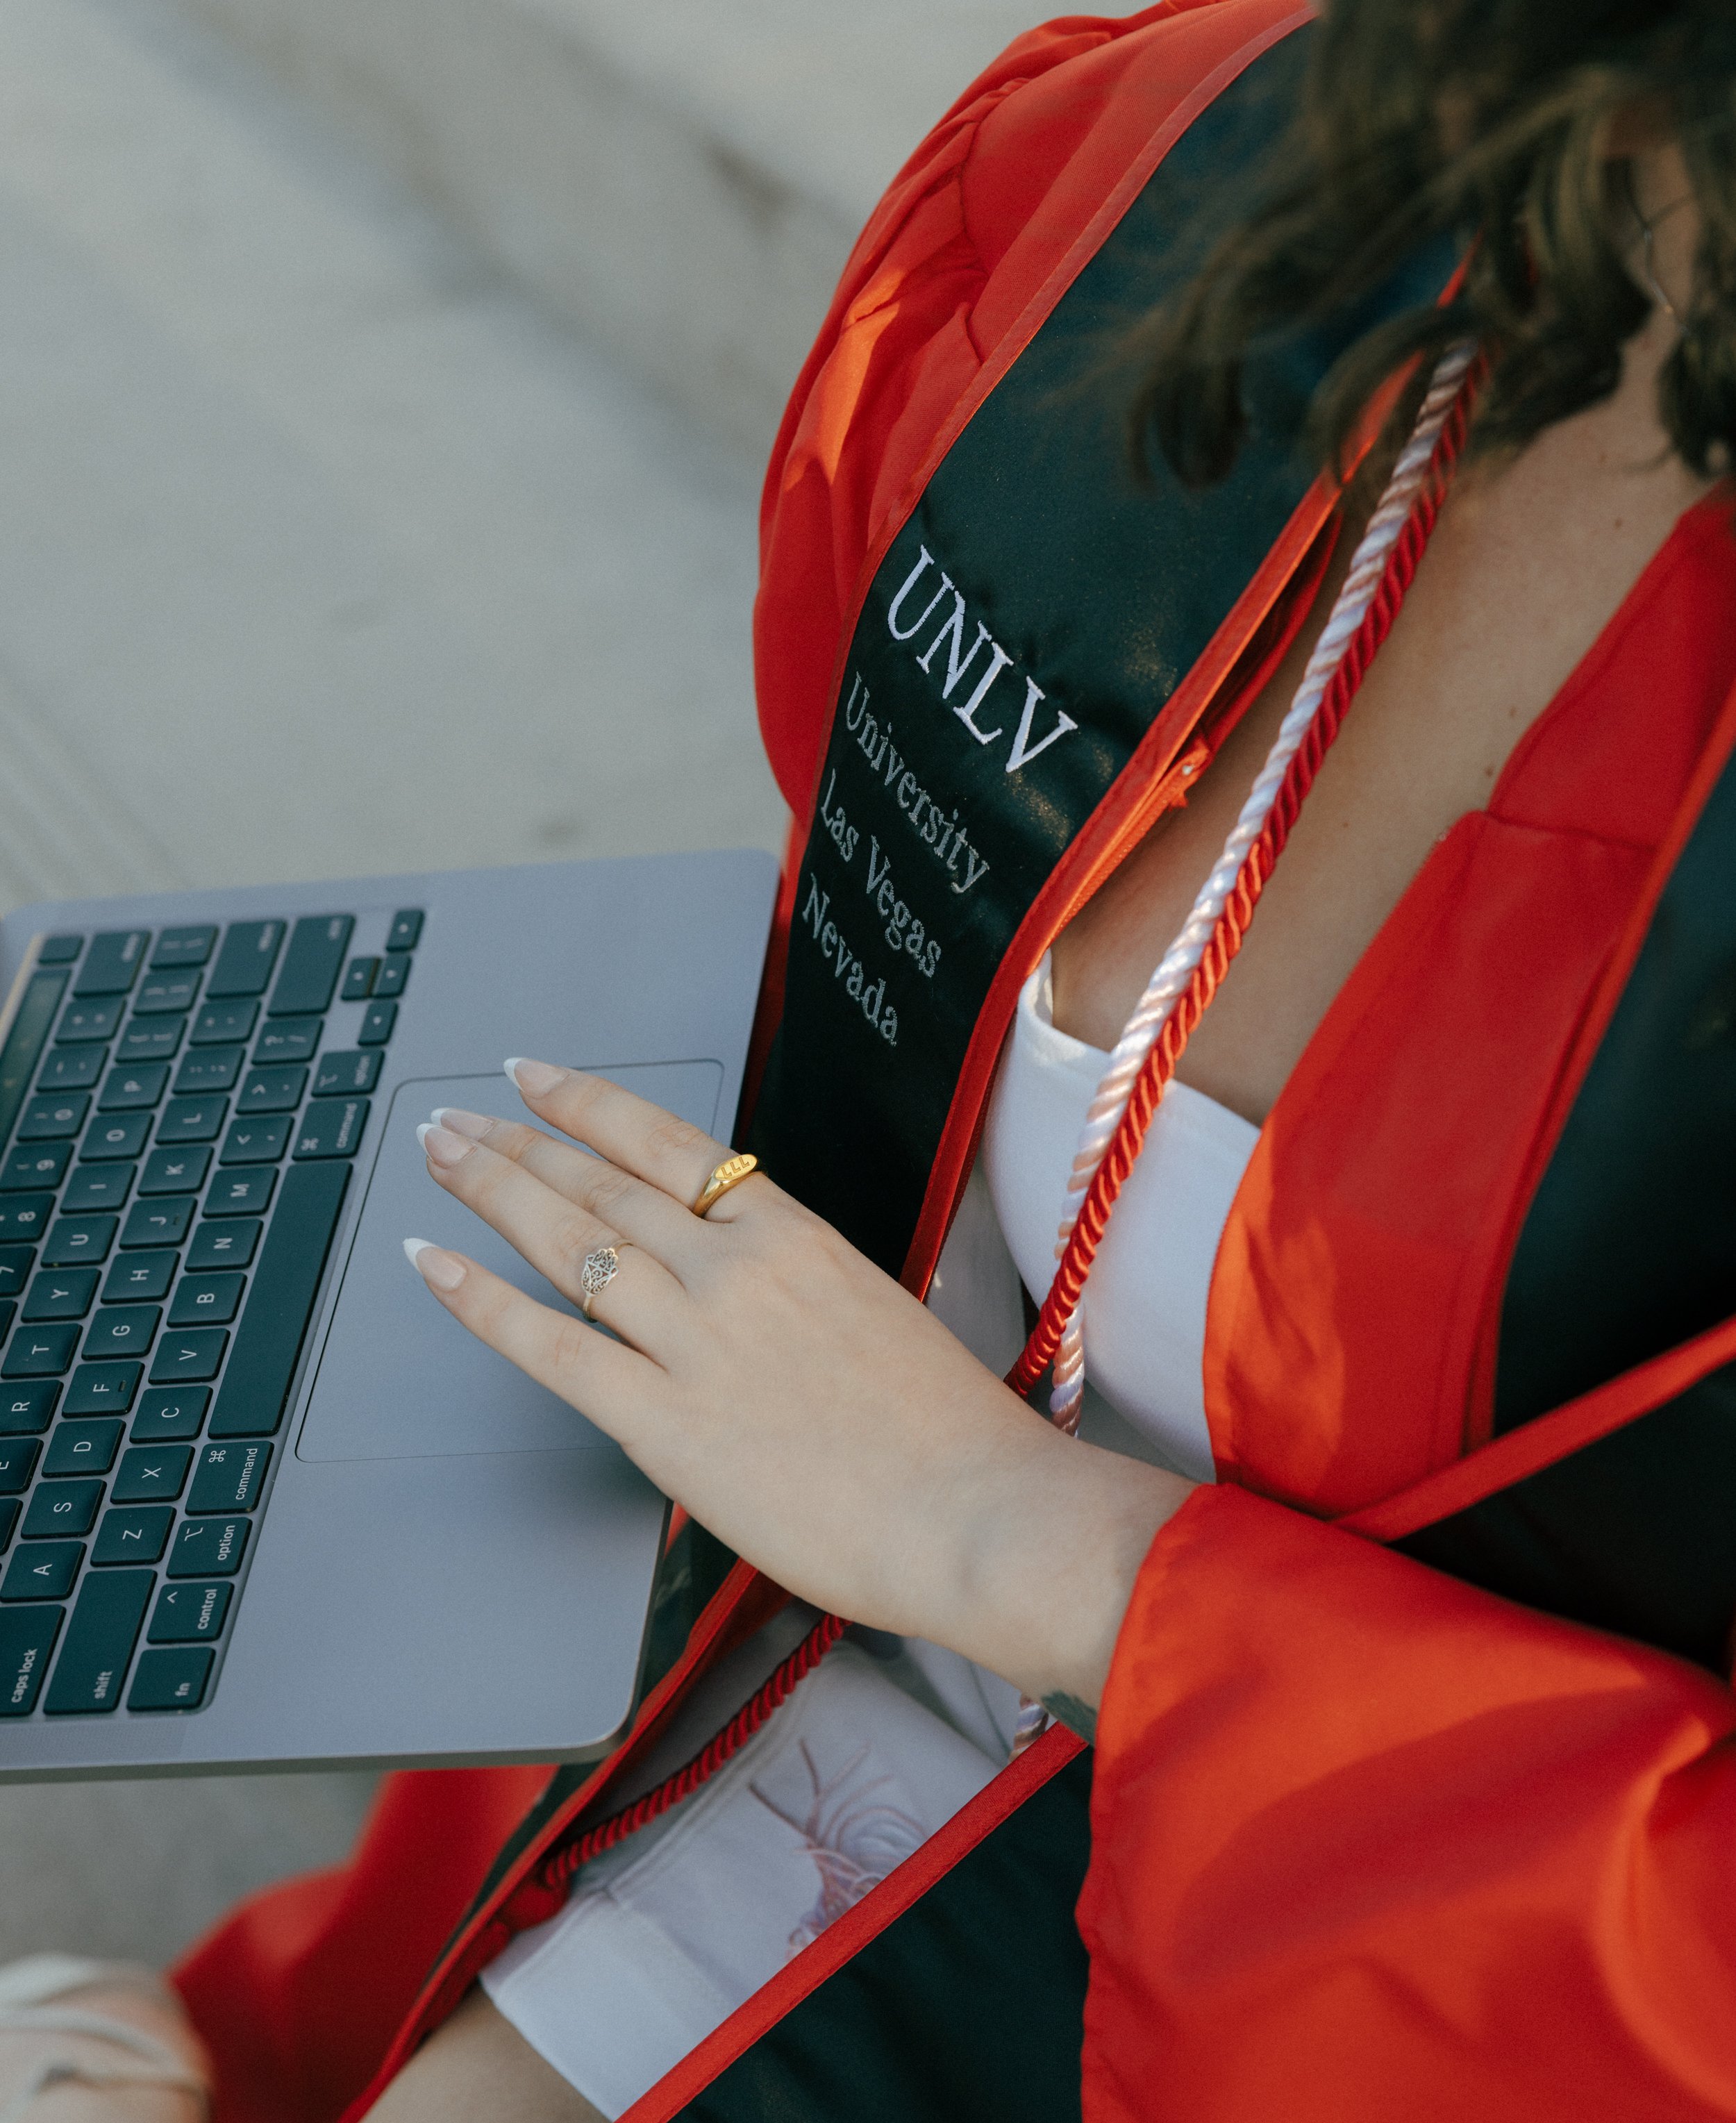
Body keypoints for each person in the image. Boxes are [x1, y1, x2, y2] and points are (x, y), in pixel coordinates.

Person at [10, 0, 1736, 2115]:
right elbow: (867, 978)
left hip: (1348, 1967)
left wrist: (1014, 1534)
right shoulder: (1148, 174)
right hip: (736, 1685)